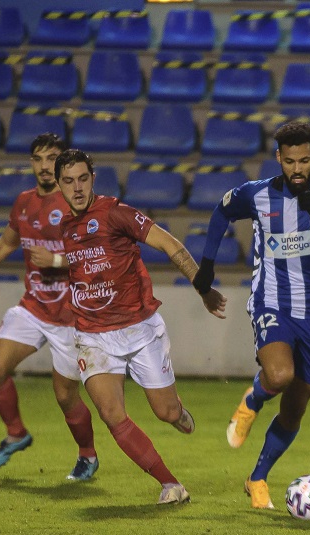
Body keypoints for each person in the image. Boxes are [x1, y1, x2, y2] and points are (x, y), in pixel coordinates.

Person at [192, 121, 310, 509]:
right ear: (278, 158)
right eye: (289, 161)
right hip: (272, 302)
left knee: (295, 409)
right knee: (280, 376)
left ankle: (257, 478)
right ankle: (253, 399)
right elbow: (220, 213)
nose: (297, 169)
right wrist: (207, 267)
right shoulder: (257, 195)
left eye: (304, 160)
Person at [54, 148, 227, 505]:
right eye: (68, 181)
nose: (77, 188)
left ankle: (177, 410)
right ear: (58, 184)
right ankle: (171, 484)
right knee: (111, 413)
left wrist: (202, 286)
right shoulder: (64, 227)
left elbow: (169, 243)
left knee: (165, 412)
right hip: (92, 334)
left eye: (83, 179)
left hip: (139, 328)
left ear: (93, 179)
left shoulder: (115, 212)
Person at [0, 133, 99, 481]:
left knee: (65, 396)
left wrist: (57, 259)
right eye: (38, 158)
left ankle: (87, 455)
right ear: (31, 163)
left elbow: (98, 257)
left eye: (52, 158)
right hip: (34, 307)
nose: (45, 166)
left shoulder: (78, 205)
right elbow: (6, 243)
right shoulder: (25, 202)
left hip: (72, 317)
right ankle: (16, 433)